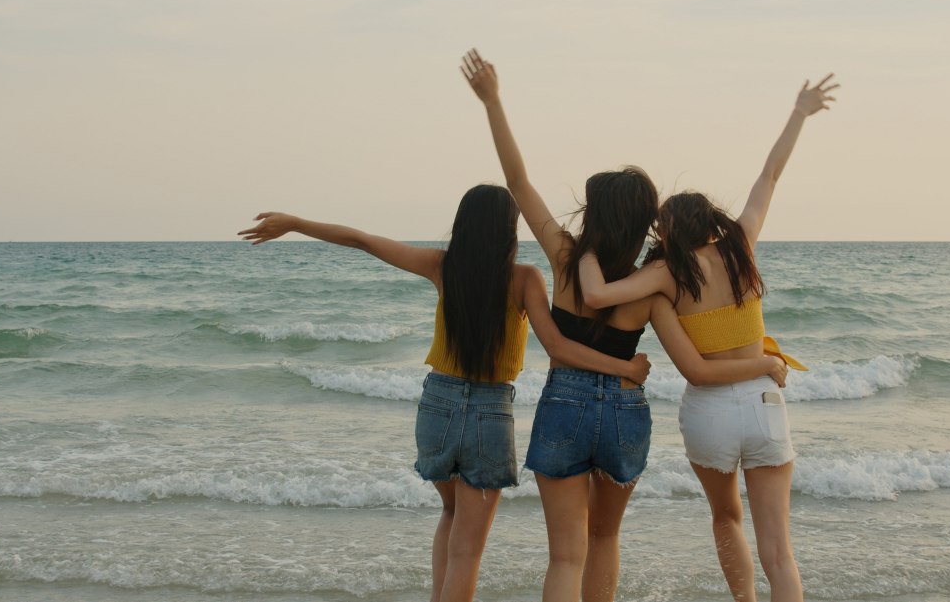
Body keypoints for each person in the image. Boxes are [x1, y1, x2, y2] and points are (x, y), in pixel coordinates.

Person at [462, 48, 788, 602]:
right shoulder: (653, 284)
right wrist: (757, 360)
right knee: (605, 537)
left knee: (565, 556)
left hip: (564, 405)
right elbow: (696, 353)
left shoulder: (566, 257)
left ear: (595, 212)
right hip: (624, 411)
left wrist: (493, 101)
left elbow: (517, 181)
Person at [236, 184, 652, 602]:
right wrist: (625, 368)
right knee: (467, 552)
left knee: (451, 512)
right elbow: (557, 346)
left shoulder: (441, 267)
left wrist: (296, 223)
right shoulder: (524, 278)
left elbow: (363, 240)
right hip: (489, 412)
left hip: (438, 404)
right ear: (509, 230)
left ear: (463, 225)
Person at [577, 76, 838, 601]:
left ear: (670, 229)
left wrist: (587, 247)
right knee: (780, 553)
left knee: (726, 518)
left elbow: (598, 295)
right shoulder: (741, 245)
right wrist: (799, 112)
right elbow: (770, 173)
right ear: (710, 222)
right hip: (764, 406)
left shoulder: (666, 272)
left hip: (710, 414)